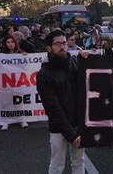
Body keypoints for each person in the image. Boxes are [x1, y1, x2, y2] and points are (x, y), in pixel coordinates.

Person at [36, 30, 86, 174]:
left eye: (64, 43)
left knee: (78, 162)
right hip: (59, 128)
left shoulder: (75, 62)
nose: (62, 47)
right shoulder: (44, 74)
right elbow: (53, 109)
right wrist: (72, 135)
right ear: (49, 48)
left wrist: (85, 60)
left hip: (78, 124)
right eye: (57, 44)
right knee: (57, 166)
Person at [0, 36, 28, 130]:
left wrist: (26, 57)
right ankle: (6, 121)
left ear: (15, 43)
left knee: (19, 101)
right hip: (7, 82)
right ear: (5, 44)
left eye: (12, 42)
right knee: (7, 102)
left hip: (19, 81)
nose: (10, 44)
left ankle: (21, 119)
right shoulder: (2, 55)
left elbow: (26, 66)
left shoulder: (21, 53)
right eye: (8, 42)